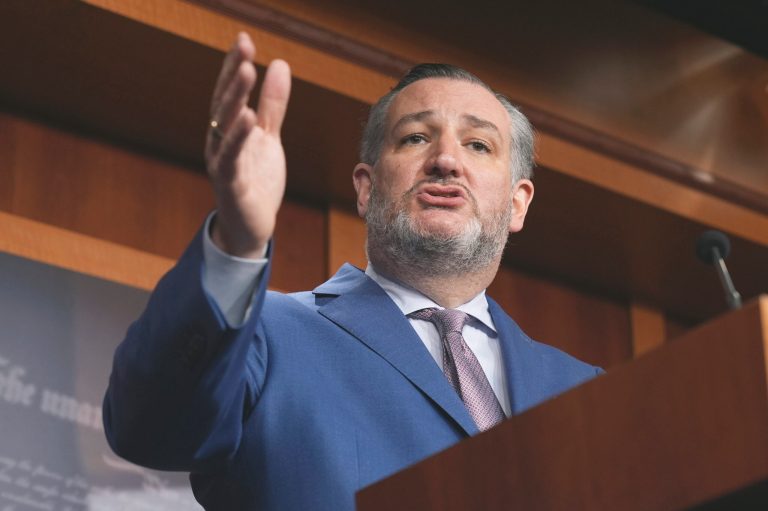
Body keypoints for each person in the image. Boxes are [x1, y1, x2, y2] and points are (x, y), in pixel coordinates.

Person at [103, 33, 601, 511]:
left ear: (518, 203)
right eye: (416, 137)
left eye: (478, 145)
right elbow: (147, 428)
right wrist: (237, 241)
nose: (446, 160)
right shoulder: (266, 336)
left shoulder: (589, 396)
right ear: (366, 189)